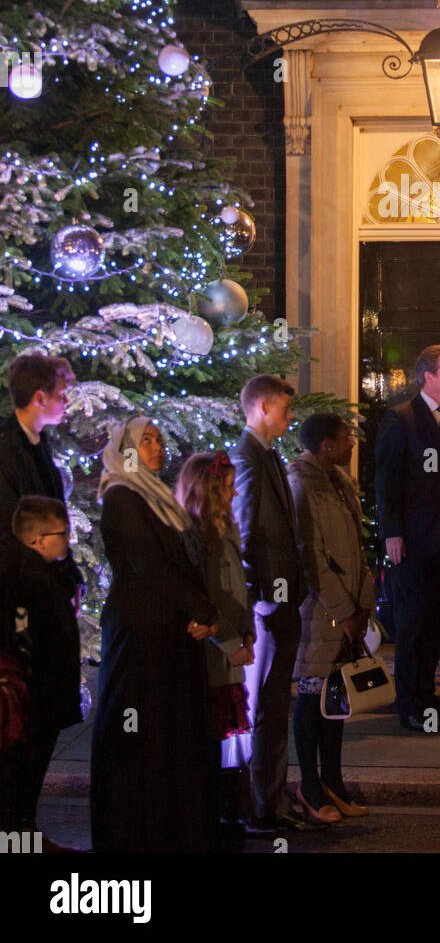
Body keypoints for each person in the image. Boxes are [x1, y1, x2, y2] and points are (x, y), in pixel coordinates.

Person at [90, 417, 219, 853]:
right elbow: (147, 565)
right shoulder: (122, 495)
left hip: (172, 630)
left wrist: (203, 612)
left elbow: (185, 561)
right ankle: (134, 833)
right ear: (124, 448)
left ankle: (173, 828)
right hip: (142, 632)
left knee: (171, 734)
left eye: (160, 441)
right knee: (140, 736)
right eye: (145, 441)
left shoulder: (158, 496)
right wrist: (200, 608)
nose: (157, 448)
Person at [227, 374, 317, 835]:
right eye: (284, 408)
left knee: (273, 702)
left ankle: (272, 799)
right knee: (263, 704)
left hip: (279, 600)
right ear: (262, 407)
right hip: (266, 604)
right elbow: (244, 534)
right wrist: (257, 600)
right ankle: (263, 806)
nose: (289, 416)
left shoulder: (266, 455)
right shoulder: (245, 457)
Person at [374, 344, 440, 731]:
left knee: (436, 623)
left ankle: (427, 696)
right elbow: (387, 481)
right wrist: (392, 533)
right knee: (413, 625)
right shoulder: (400, 419)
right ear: (427, 377)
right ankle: (409, 703)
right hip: (412, 543)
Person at [287, 413, 375, 822]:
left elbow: (354, 551)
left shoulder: (341, 484)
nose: (352, 443)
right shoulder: (301, 485)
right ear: (325, 445)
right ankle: (309, 784)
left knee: (336, 701)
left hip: (347, 612)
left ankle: (333, 781)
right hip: (320, 614)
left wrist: (362, 604)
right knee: (311, 696)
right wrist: (343, 610)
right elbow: (311, 557)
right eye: (345, 438)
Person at [176, 450, 255, 843]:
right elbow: (209, 597)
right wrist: (230, 642)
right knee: (208, 733)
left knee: (222, 737)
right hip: (212, 652)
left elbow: (238, 589)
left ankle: (220, 810)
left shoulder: (226, 528)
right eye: (226, 488)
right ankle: (206, 816)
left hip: (231, 646)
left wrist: (249, 631)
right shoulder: (195, 535)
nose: (234, 494)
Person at [2, 496, 81, 848]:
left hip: (46, 689)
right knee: (22, 773)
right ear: (37, 540)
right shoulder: (27, 578)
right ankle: (18, 838)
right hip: (36, 692)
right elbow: (29, 636)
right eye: (62, 533)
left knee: (30, 773)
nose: (68, 540)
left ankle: (24, 833)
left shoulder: (50, 573)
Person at [0, 352, 83, 605]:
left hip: (46, 585)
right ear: (39, 397)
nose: (66, 401)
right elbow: (10, 528)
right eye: (60, 395)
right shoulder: (7, 450)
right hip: (23, 592)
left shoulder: (39, 443)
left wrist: (72, 578)